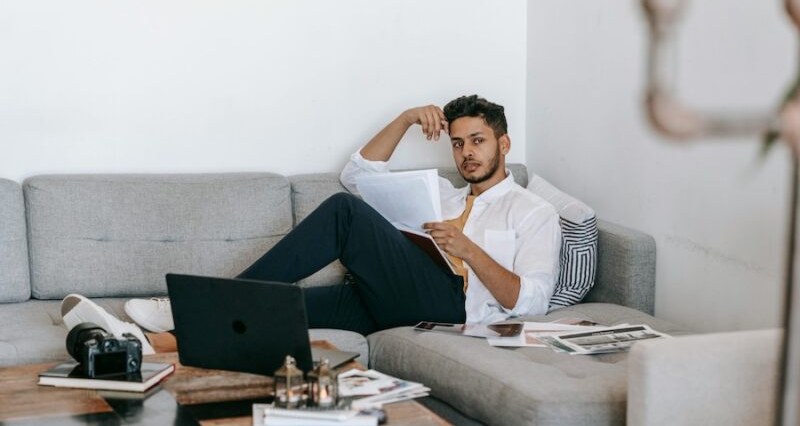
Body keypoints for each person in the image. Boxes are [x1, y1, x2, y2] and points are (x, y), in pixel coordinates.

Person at [64, 95, 561, 343]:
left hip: (454, 309)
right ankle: (145, 342)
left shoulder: (533, 211)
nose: (467, 153)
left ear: (503, 144)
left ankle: (194, 304)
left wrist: (468, 250)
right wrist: (407, 118)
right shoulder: (443, 198)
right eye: (457, 143)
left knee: (344, 213)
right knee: (281, 309)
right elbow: (356, 174)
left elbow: (533, 301)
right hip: (391, 300)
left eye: (478, 141)